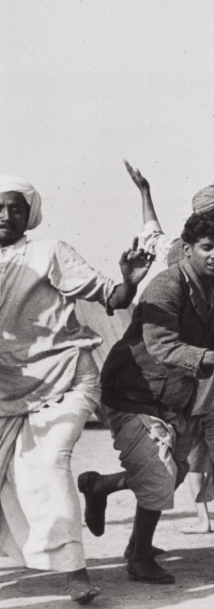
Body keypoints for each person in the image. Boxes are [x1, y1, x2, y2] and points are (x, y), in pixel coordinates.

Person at [0, 176, 153, 604]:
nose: (6, 216)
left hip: (68, 378)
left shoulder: (49, 251)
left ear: (29, 213)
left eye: (15, 208)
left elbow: (115, 297)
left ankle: (75, 574)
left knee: (49, 464)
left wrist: (131, 280)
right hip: (5, 392)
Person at [79, 211, 214, 585]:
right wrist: (210, 356)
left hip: (172, 397)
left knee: (175, 471)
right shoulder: (166, 285)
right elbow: (162, 344)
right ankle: (139, 557)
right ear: (187, 249)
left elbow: (200, 337)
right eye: (207, 248)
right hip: (133, 392)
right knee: (160, 470)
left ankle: (101, 486)